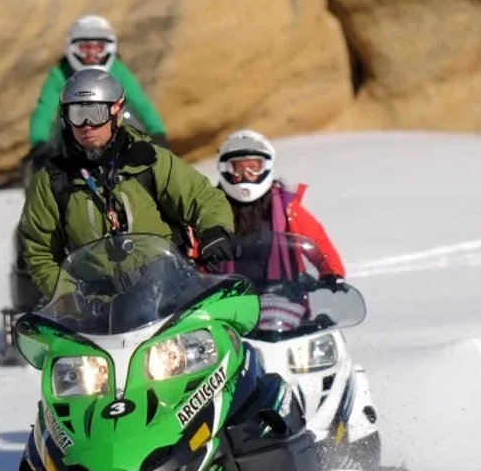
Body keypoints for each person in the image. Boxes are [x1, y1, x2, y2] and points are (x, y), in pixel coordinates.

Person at [18, 68, 235, 298]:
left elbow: (202, 197)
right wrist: (70, 297)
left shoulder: (150, 161)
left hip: (167, 292)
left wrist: (215, 230)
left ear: (117, 112)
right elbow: (40, 252)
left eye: (96, 113)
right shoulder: (52, 181)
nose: (86, 125)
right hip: (98, 306)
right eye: (77, 114)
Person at [26, 15, 167, 169]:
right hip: (73, 138)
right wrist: (40, 144)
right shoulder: (60, 73)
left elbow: (141, 104)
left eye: (98, 48)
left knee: (127, 116)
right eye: (85, 48)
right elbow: (44, 112)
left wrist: (157, 134)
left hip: (112, 132)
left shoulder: (117, 69)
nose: (92, 54)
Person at [215, 129, 346, 280]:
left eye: (254, 167)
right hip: (224, 292)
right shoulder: (209, 207)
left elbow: (318, 242)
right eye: (237, 168)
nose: (246, 174)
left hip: (282, 290)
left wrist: (332, 273)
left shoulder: (286, 206)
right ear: (226, 169)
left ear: (266, 167)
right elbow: (195, 249)